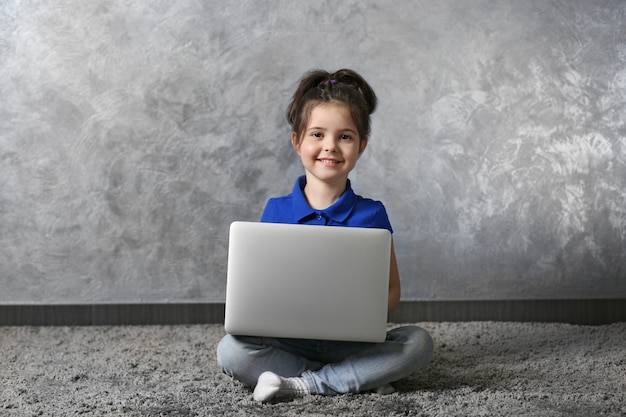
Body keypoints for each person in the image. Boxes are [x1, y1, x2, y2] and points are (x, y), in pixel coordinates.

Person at [216, 69, 433, 402]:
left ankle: (301, 384)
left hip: (353, 344)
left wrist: (363, 314)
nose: (330, 146)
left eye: (345, 137)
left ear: (361, 146)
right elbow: (260, 290)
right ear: (297, 141)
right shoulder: (276, 211)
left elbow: (391, 288)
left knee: (419, 343)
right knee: (230, 351)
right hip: (287, 344)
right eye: (317, 134)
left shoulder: (372, 214)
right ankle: (356, 376)